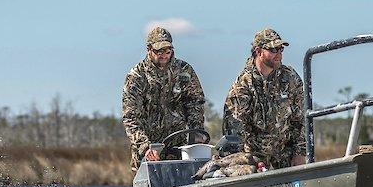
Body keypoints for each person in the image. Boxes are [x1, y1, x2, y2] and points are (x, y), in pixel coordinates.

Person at [121, 27, 207, 171]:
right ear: (149, 49)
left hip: (179, 149)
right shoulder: (137, 76)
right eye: (159, 51)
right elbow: (131, 118)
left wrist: (195, 135)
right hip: (148, 152)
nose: (164, 55)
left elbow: (195, 104)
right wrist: (144, 146)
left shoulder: (184, 71)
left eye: (167, 51)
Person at [223, 28, 308, 169]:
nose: (279, 54)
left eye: (281, 49)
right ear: (258, 51)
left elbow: (301, 118)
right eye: (273, 50)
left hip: (286, 158)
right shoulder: (243, 85)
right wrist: (244, 164)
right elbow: (235, 129)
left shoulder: (290, 77)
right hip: (256, 162)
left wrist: (300, 152)